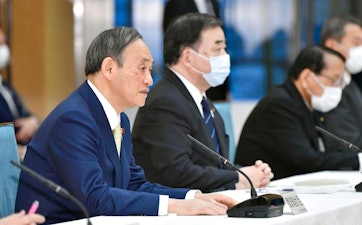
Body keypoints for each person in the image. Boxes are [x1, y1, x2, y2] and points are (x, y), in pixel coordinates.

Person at [15, 27, 237, 225]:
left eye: (150, 70)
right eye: (142, 68)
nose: (149, 80)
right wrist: (175, 206)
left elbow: (134, 184)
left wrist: (192, 197)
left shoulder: (119, 119)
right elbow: (95, 198)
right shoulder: (73, 120)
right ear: (110, 68)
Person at [132, 13, 273, 192]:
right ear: (188, 57)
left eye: (225, 48)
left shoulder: (204, 103)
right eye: (217, 49)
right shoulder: (165, 102)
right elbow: (176, 173)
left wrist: (250, 174)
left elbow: (216, 166)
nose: (225, 55)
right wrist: (238, 177)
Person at [234, 45, 362, 180]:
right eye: (334, 80)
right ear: (307, 77)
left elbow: (326, 152)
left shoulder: (308, 104)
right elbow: (307, 161)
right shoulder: (280, 104)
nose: (338, 88)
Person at [320, 15, 362, 151]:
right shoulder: (326, 89)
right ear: (332, 45)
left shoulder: (350, 84)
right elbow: (343, 141)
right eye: (356, 43)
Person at [163, 0, 229, 101]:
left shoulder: (214, 4)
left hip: (214, 90)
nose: (224, 55)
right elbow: (173, 44)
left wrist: (226, 90)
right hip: (189, 80)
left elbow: (219, 44)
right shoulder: (176, 4)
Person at [0, 29, 40, 161]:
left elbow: (25, 113)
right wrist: (15, 151)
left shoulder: (6, 87)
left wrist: (33, 122)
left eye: (4, 44)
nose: (4, 50)